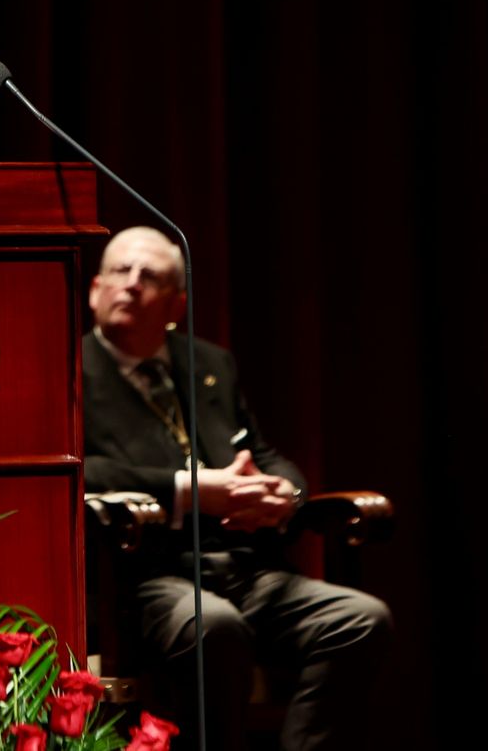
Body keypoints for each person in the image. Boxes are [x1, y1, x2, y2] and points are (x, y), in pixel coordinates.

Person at [83, 226, 390, 751]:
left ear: (176, 302)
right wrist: (189, 490)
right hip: (155, 576)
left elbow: (264, 454)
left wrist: (281, 496)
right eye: (120, 272)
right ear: (94, 290)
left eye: (149, 276)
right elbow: (82, 470)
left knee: (361, 619)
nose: (131, 285)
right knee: (215, 626)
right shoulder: (71, 370)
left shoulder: (209, 363)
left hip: (249, 570)